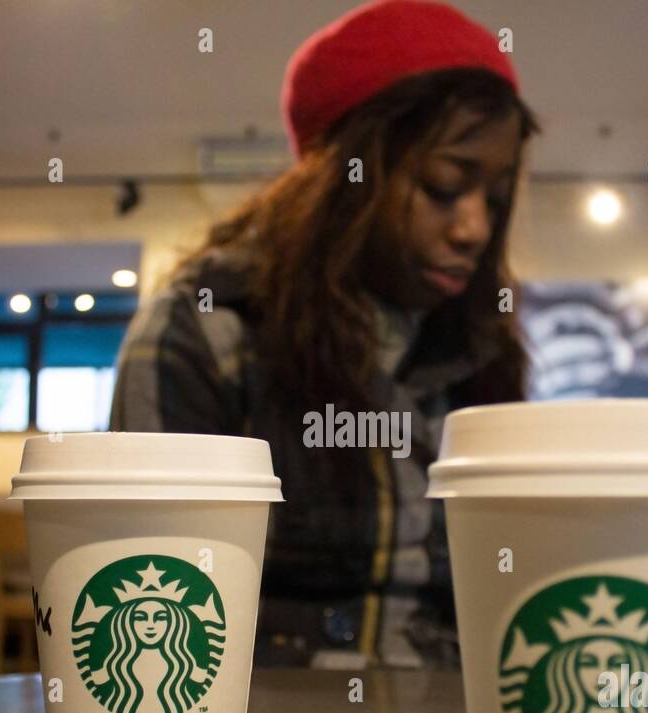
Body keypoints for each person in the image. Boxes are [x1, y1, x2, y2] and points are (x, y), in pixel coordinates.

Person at [110, 1, 540, 667]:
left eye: (497, 196)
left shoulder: (482, 348)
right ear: (346, 176)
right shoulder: (208, 332)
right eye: (445, 185)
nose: (474, 229)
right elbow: (159, 601)